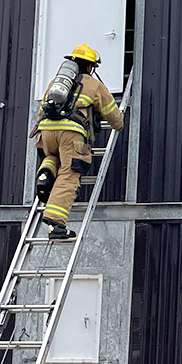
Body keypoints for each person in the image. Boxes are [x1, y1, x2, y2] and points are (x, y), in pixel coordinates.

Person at [35, 44, 125, 240]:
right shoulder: (94, 85)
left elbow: (42, 111)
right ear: (90, 66)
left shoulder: (56, 83)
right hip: (71, 133)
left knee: (53, 156)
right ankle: (56, 223)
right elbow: (114, 117)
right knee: (70, 173)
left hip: (46, 132)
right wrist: (119, 124)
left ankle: (45, 174)